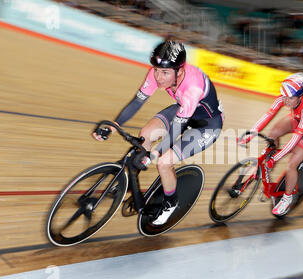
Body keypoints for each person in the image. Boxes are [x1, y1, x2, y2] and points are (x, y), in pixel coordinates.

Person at [92, 40, 224, 225]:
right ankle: (130, 182)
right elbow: (137, 102)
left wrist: (154, 153)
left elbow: (176, 129)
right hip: (182, 111)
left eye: (165, 73)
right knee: (145, 134)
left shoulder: (192, 88)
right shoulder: (158, 73)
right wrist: (114, 125)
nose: (158, 77)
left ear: (179, 71)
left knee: (163, 162)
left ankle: (171, 203)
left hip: (207, 125)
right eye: (156, 70)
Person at [239, 72, 303, 216]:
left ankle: (287, 198)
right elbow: (268, 114)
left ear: (300, 96)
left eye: (290, 98)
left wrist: (276, 157)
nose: (286, 101)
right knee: (272, 134)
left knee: (292, 163)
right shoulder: (286, 97)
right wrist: (251, 133)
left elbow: (295, 139)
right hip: (298, 119)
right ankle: (267, 172)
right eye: (284, 96)